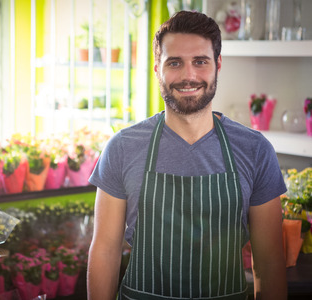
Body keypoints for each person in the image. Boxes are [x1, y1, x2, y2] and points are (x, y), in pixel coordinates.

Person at [87, 10, 287, 300]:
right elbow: (105, 249)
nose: (189, 75)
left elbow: (268, 262)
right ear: (158, 68)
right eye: (175, 63)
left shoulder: (255, 150)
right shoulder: (122, 147)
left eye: (200, 62)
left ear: (218, 65)